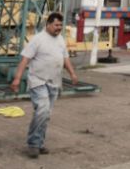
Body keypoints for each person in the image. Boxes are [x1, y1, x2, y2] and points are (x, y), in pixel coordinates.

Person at [10, 12, 78, 159]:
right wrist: (17, 79)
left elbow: (65, 58)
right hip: (38, 81)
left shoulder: (60, 39)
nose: (59, 28)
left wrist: (72, 73)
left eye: (60, 25)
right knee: (42, 109)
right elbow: (25, 60)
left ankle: (39, 144)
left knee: (46, 115)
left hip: (54, 82)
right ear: (48, 24)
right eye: (56, 25)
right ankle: (33, 144)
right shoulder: (38, 39)